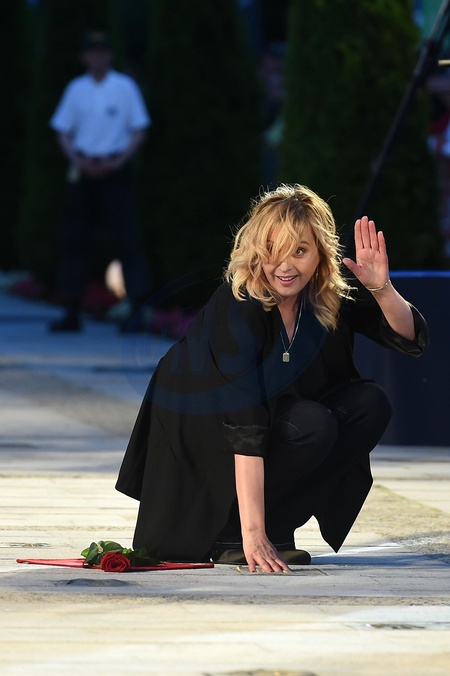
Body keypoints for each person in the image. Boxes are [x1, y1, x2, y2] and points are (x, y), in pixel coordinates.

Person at [116, 184, 428, 573]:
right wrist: (250, 532)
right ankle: (233, 532)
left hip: (269, 423)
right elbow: (245, 425)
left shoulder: (324, 294)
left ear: (320, 253)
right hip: (203, 438)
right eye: (272, 251)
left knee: (369, 404)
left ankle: (276, 527)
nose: (285, 266)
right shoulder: (239, 305)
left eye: (299, 251)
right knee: (310, 423)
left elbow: (407, 337)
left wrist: (381, 288)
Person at [49, 31, 151, 332]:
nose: (97, 58)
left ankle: (137, 309)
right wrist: (77, 160)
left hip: (115, 169)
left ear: (110, 55)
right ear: (84, 57)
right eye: (92, 52)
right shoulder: (76, 88)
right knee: (76, 239)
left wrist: (120, 160)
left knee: (126, 239)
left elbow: (139, 128)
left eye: (102, 52)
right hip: (84, 169)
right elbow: (62, 130)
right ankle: (72, 309)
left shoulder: (124, 87)